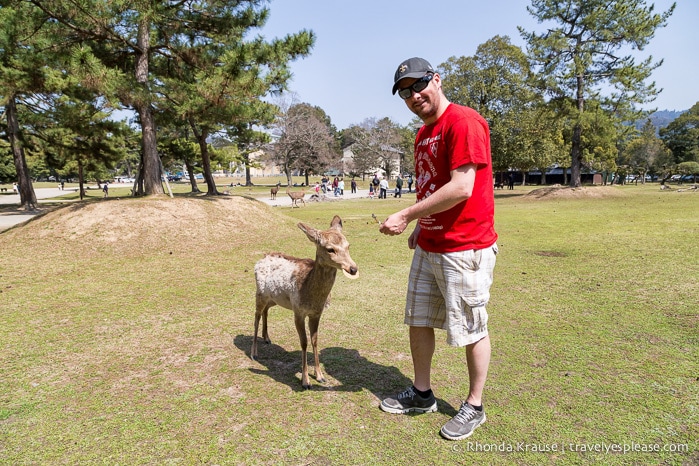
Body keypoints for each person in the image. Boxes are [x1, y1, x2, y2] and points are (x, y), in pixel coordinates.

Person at [378, 57, 498, 441]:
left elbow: (462, 187)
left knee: (471, 326)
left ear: (437, 80)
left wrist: (406, 214)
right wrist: (420, 225)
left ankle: (474, 406)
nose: (414, 96)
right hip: (430, 244)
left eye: (419, 86)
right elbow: (431, 184)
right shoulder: (422, 133)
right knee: (418, 319)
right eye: (406, 93)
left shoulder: (463, 122)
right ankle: (422, 393)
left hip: (464, 246)